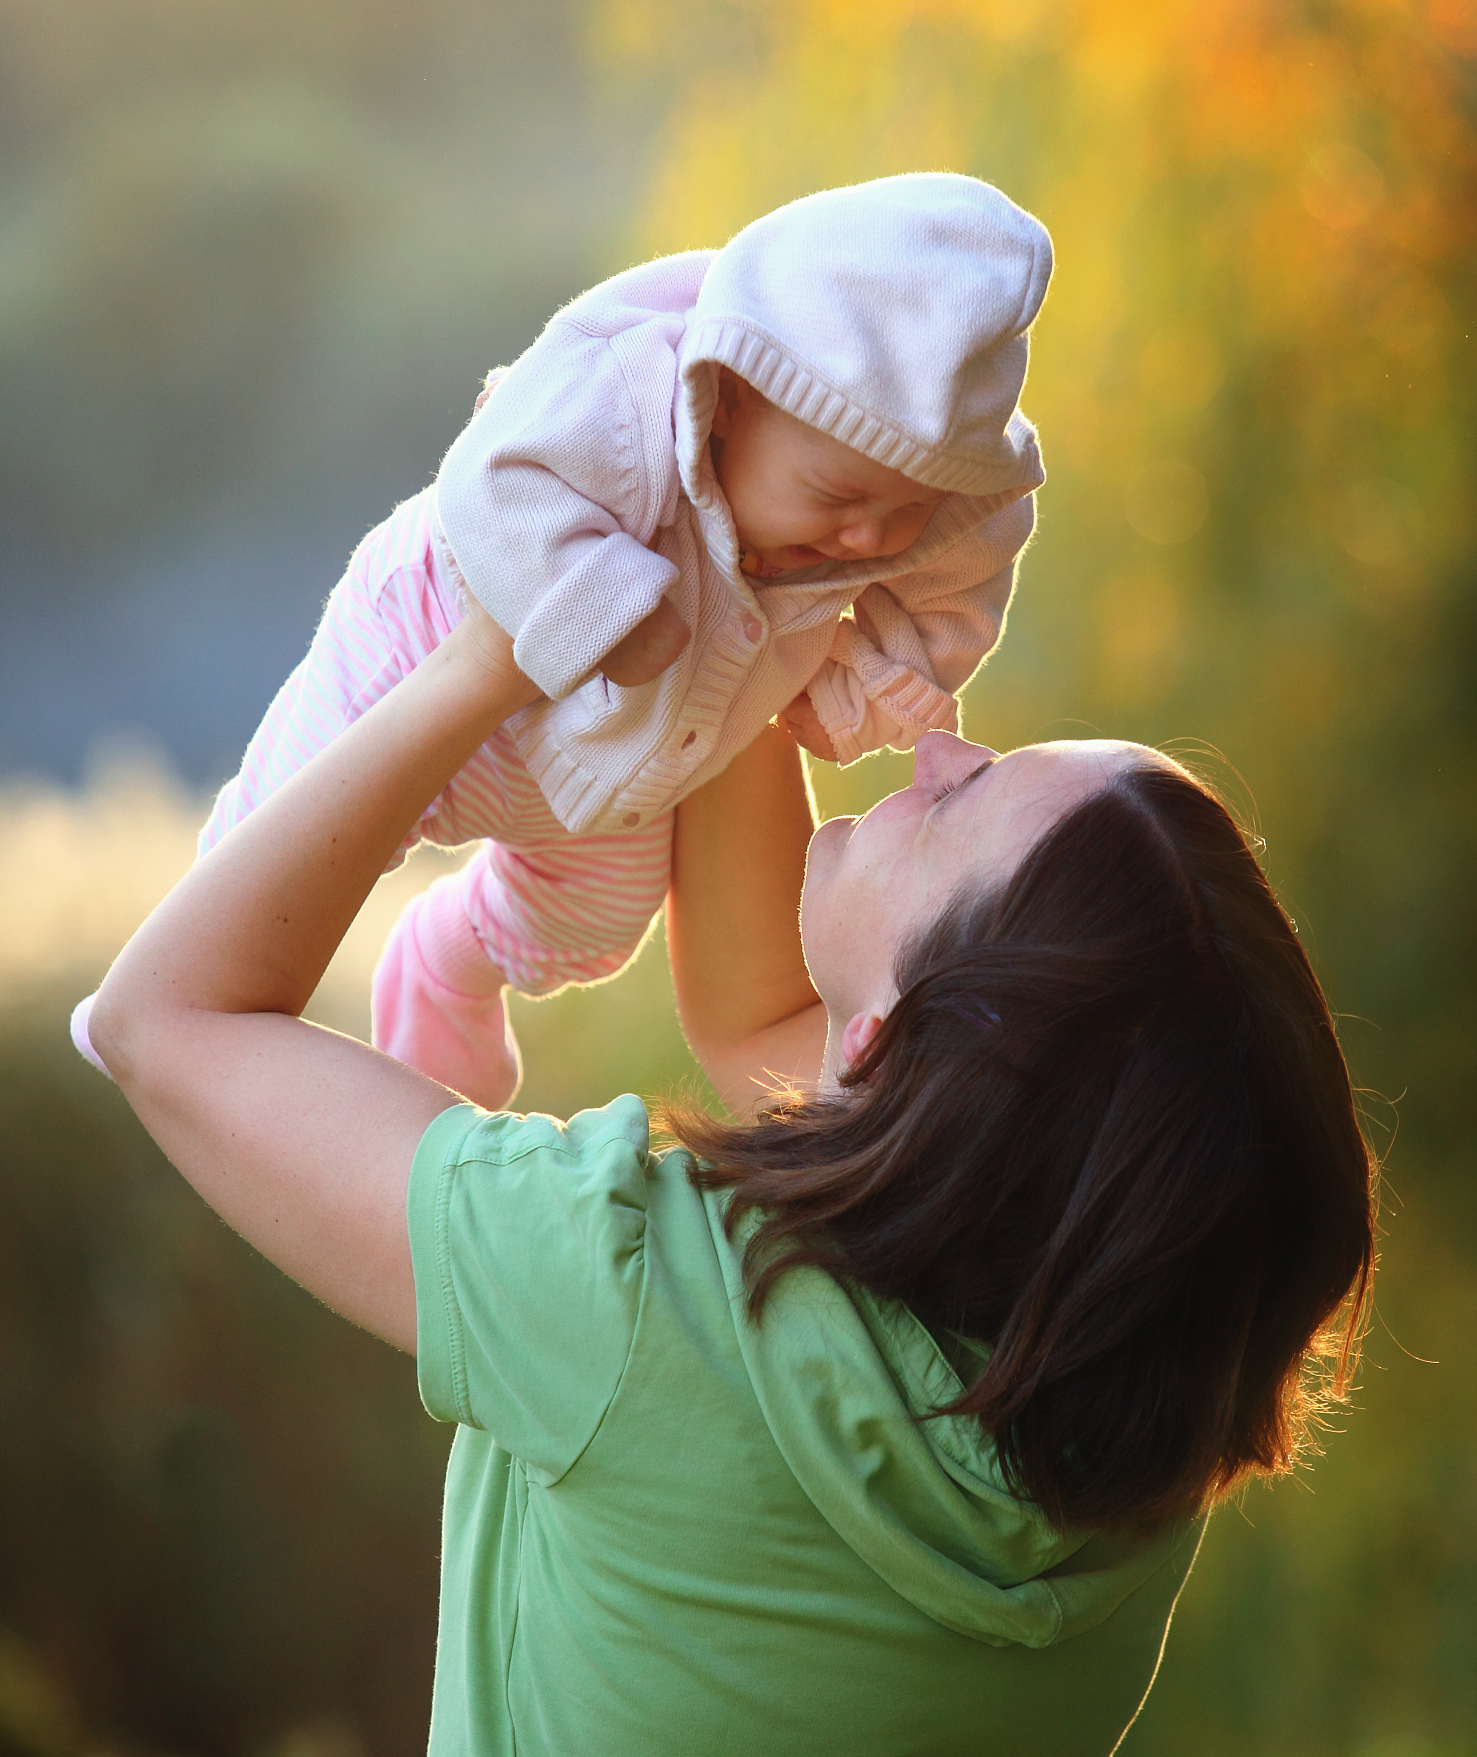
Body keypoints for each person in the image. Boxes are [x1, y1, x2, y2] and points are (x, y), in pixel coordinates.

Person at [86, 599, 1374, 1757]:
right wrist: (738, 607)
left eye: (967, 805)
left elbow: (169, 1022)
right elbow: (774, 1013)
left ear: (895, 1046)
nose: (942, 753)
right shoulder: (1133, 1385)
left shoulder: (637, 1295)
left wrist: (485, 655)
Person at [73, 172, 1052, 1107]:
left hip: (621, 754)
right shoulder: (622, 390)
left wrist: (875, 681)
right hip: (435, 646)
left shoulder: (902, 497)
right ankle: (157, 997)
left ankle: (447, 952)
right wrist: (605, 607)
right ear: (735, 396)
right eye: (838, 499)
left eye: (905, 507)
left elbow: (963, 565)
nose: (870, 539)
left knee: (592, 927)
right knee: (281, 834)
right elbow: (492, 483)